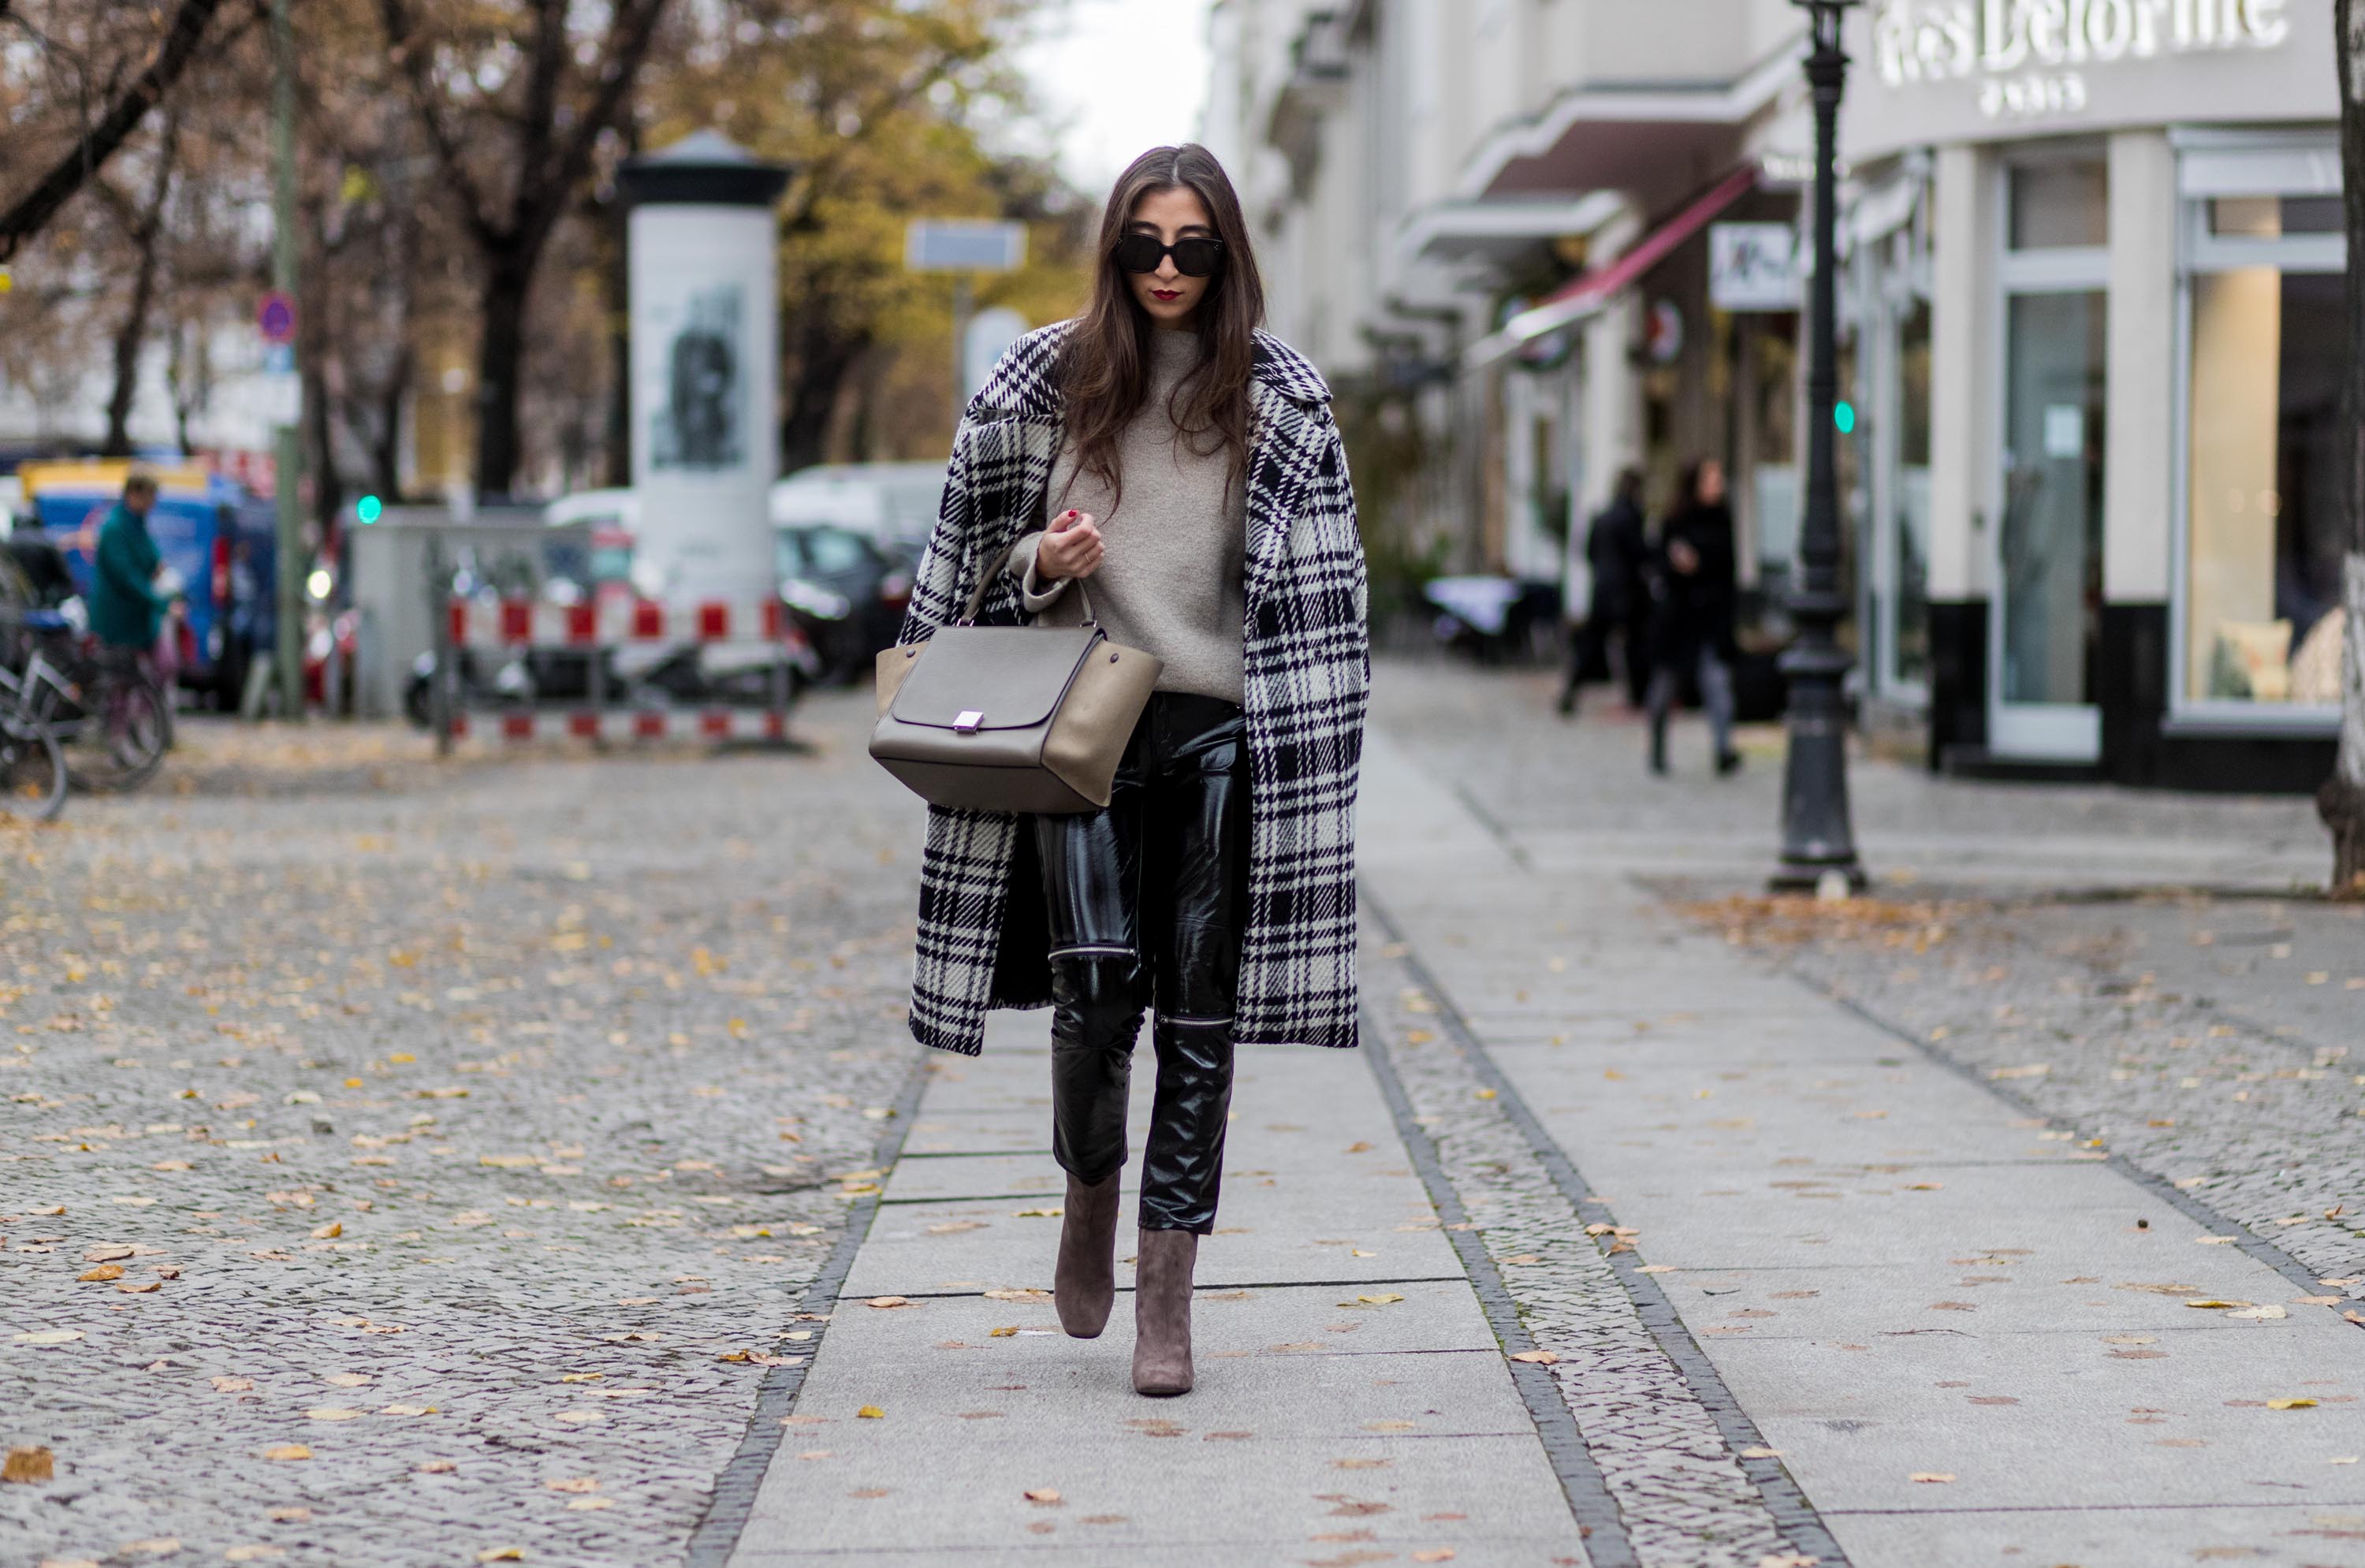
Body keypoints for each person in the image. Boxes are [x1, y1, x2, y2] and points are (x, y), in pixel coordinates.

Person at [897, 144, 1370, 1398]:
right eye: (1145, 244)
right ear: (1116, 248)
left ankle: (1170, 1298)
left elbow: (1327, 603)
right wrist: (1047, 562)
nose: (1168, 268)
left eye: (1194, 247)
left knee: (1200, 1020)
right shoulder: (1042, 379)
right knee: (1098, 988)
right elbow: (957, 582)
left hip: (1219, 726)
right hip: (1078, 725)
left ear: (1227, 256)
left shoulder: (1280, 396)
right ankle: (1089, 1188)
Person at [1645, 457, 1740, 777]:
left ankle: (1723, 748)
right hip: (1679, 620)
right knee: (1665, 686)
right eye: (1711, 479)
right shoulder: (1676, 521)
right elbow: (1661, 564)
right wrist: (1678, 566)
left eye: (1718, 479)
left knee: (1717, 684)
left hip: (1711, 619)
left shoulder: (1722, 520)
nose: (1717, 485)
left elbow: (1727, 570)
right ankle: (1657, 747)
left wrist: (1698, 564)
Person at [1557, 467, 1649, 717]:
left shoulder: (1602, 517)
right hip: (1625, 591)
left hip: (1601, 590)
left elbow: (1588, 552)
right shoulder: (1631, 518)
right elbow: (1640, 554)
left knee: (1591, 644)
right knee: (1633, 645)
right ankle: (1637, 694)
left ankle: (1570, 691)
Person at [89, 473, 178, 668]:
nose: (152, 503)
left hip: (137, 621)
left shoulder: (137, 522)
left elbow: (151, 556)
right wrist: (161, 603)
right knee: (119, 681)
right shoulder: (115, 528)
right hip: (118, 621)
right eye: (149, 497)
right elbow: (127, 578)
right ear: (133, 494)